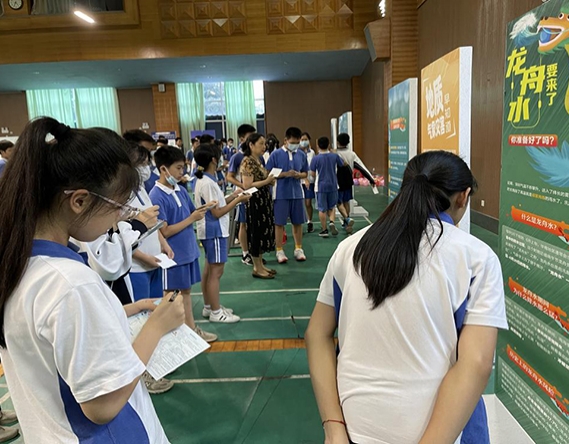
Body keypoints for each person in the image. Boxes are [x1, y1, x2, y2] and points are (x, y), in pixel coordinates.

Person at [0, 117, 185, 443]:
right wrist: (157, 327)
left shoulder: (20, 263)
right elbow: (103, 405)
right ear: (80, 201)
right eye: (118, 207)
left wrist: (133, 308)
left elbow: (50, 337)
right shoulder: (70, 283)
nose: (122, 216)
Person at [306, 151, 507, 444]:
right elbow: (476, 363)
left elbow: (316, 335)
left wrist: (333, 427)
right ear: (463, 197)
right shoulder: (477, 258)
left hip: (355, 431)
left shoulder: (350, 249)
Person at [149, 146, 217, 343]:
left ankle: (190, 330)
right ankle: (176, 336)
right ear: (163, 170)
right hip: (173, 256)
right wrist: (192, 218)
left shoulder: (179, 189)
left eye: (183, 168)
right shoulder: (156, 195)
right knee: (172, 297)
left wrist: (208, 207)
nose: (182, 173)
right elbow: (165, 231)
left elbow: (192, 212)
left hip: (188, 251)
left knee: (185, 293)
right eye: (178, 168)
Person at [194, 144, 250, 322]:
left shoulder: (205, 180)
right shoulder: (208, 183)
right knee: (216, 273)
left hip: (210, 230)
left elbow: (217, 204)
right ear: (213, 159)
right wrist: (240, 200)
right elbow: (217, 213)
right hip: (215, 231)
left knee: (209, 270)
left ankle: (209, 306)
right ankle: (216, 313)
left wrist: (233, 197)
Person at [266, 126, 308, 263]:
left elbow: (305, 173)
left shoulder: (301, 155)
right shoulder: (276, 155)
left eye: (298, 142)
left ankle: (298, 248)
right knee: (279, 223)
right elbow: (268, 173)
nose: (295, 145)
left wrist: (298, 175)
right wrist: (284, 174)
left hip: (297, 194)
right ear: (285, 140)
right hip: (280, 194)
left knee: (298, 222)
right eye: (293, 142)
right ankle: (279, 250)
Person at [240, 134, 277, 279]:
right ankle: (256, 267)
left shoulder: (258, 160)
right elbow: (247, 185)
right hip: (255, 202)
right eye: (261, 144)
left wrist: (269, 181)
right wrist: (266, 181)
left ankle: (260, 265)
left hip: (263, 200)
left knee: (263, 233)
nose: (264, 146)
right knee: (256, 233)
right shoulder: (247, 161)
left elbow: (261, 179)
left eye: (264, 144)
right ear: (251, 145)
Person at [226, 124, 257, 265]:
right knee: (243, 224)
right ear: (242, 138)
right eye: (250, 137)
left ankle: (255, 252)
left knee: (254, 224)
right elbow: (229, 177)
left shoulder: (255, 156)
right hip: (242, 196)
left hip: (255, 195)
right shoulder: (237, 157)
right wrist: (243, 187)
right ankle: (245, 254)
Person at [334, 133, 375, 234]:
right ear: (348, 142)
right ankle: (346, 222)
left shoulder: (334, 154)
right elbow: (361, 167)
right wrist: (370, 179)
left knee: (339, 202)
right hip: (348, 180)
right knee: (346, 201)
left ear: (338, 142)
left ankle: (347, 219)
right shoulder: (352, 154)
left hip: (338, 181)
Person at [310, 137, 344, 238]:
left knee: (322, 209)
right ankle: (332, 222)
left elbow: (312, 173)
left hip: (321, 186)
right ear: (329, 145)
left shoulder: (315, 158)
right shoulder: (334, 156)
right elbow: (343, 164)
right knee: (332, 206)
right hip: (333, 185)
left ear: (317, 146)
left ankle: (324, 230)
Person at [300, 132, 317, 233]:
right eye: (302, 139)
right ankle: (299, 224)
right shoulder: (297, 152)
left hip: (310, 182)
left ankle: (309, 222)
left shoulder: (312, 152)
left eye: (306, 139)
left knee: (308, 203)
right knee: (299, 204)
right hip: (299, 181)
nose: (304, 141)